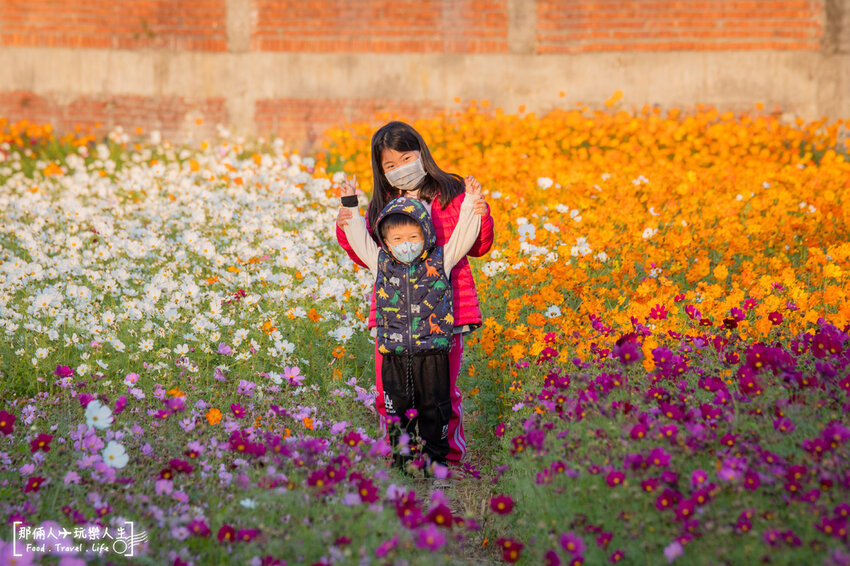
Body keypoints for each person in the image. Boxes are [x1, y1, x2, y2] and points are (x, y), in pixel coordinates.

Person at [336, 121, 494, 468]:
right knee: (388, 394)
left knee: (442, 394)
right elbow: (363, 252)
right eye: (390, 165)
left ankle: (447, 460)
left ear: (421, 153)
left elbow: (475, 245)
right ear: (381, 171)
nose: (400, 168)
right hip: (392, 319)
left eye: (406, 158)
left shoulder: (451, 194)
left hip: (447, 313)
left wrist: (479, 213)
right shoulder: (383, 204)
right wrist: (347, 215)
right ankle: (398, 457)